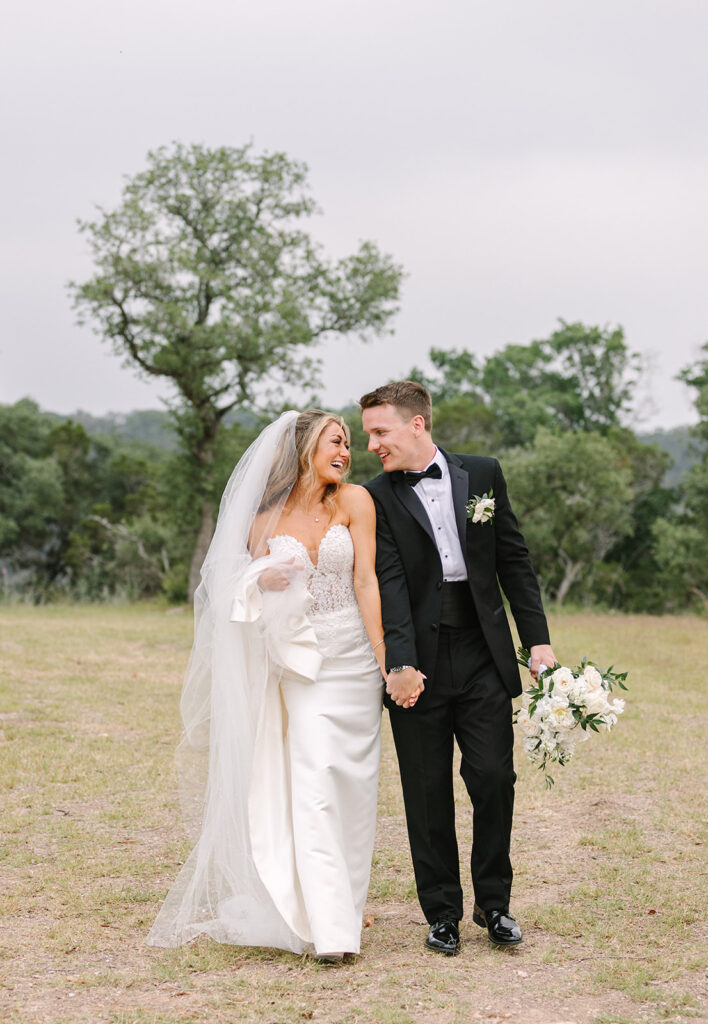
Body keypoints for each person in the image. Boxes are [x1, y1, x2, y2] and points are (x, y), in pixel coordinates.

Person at [148, 409, 419, 960]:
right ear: (303, 450)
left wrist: (388, 661)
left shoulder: (355, 502)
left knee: (353, 793)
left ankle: (340, 907)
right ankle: (331, 933)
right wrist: (260, 578)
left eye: (348, 443)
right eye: (335, 442)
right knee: (315, 786)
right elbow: (227, 594)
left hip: (355, 666)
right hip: (302, 667)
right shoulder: (263, 519)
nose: (347, 452)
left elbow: (366, 581)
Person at [361, 381, 556, 956]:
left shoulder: (483, 473)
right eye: (368, 433)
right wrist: (399, 664)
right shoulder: (375, 495)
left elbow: (513, 558)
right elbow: (388, 582)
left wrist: (537, 640)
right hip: (417, 660)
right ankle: (441, 912)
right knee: (426, 791)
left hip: (482, 653)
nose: (372, 443)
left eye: (381, 431)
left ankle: (495, 904)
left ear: (417, 425)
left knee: (494, 778)